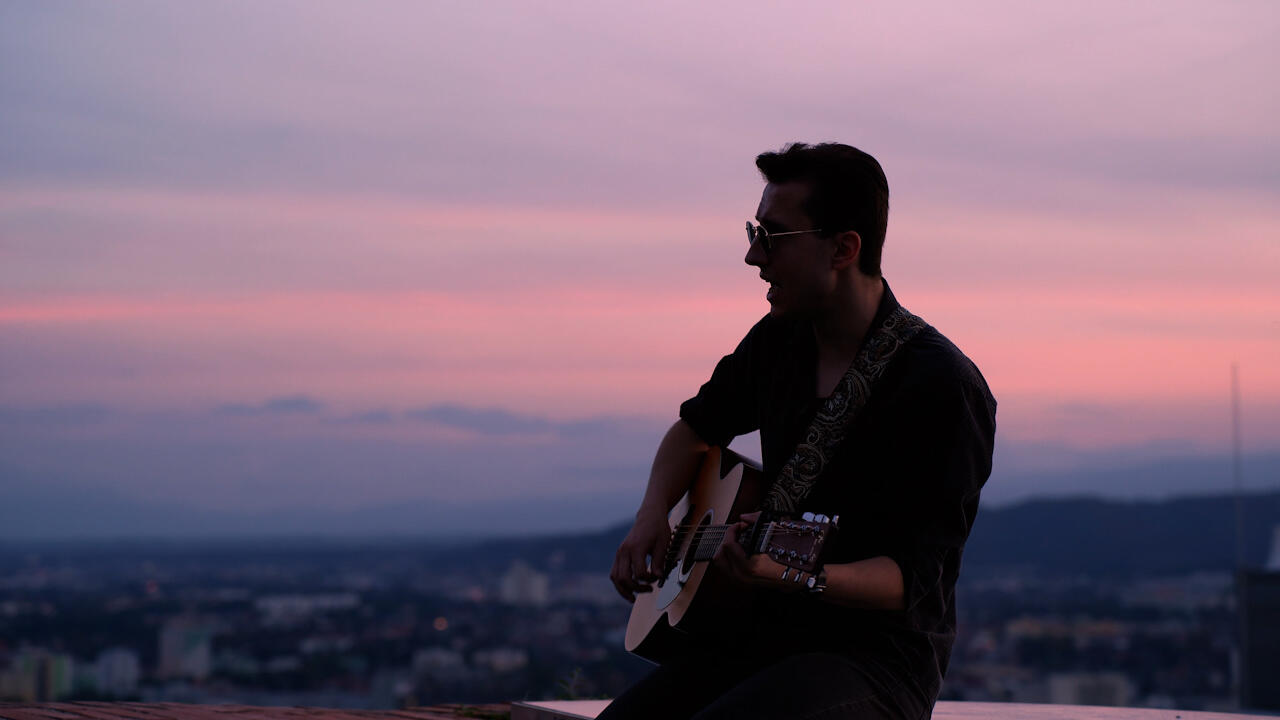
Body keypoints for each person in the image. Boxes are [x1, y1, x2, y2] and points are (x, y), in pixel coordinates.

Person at [601, 143, 997, 720]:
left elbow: (909, 578)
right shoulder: (778, 341)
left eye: (773, 237)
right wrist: (651, 515)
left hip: (874, 663)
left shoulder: (939, 385)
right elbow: (694, 427)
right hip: (757, 637)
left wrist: (797, 575)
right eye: (753, 230)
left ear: (843, 248)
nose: (752, 256)